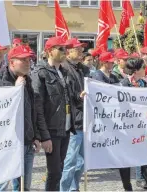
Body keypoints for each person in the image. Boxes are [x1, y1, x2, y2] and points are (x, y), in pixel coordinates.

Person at [0, 45, 42, 191]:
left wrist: (36, 136)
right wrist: (15, 90)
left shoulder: (27, 80)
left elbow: (32, 111)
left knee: (24, 187)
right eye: (23, 60)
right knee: (0, 186)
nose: (28, 63)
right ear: (12, 62)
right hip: (7, 144)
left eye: (29, 60)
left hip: (26, 142)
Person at [31, 36, 74, 191]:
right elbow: (38, 107)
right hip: (52, 130)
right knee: (54, 172)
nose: (65, 52)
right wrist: (44, 135)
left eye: (66, 49)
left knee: (59, 169)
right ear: (49, 51)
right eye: (61, 49)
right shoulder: (40, 72)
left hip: (65, 127)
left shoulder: (63, 71)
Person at [119, 58, 147, 191]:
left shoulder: (144, 83)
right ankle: (127, 186)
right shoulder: (123, 84)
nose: (146, 69)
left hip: (142, 126)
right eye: (143, 67)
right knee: (125, 158)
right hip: (126, 127)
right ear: (136, 70)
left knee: (144, 155)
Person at [60, 38, 89, 192]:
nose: (81, 52)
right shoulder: (65, 69)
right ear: (68, 52)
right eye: (77, 49)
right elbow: (66, 94)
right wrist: (79, 97)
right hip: (73, 122)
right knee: (70, 161)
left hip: (84, 120)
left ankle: (74, 188)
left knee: (82, 161)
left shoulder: (83, 69)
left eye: (81, 49)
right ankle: (64, 189)